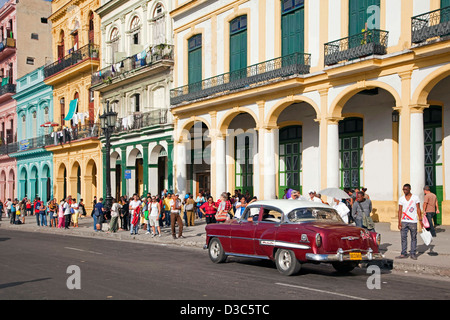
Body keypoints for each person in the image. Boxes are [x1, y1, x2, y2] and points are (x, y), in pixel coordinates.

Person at [397, 184, 423, 260]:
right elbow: (400, 210)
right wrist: (399, 222)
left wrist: (420, 219)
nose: (405, 191)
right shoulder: (401, 199)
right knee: (403, 237)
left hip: (413, 221)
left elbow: (418, 209)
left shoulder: (415, 198)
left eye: (406, 190)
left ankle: (413, 253)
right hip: (404, 221)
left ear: (410, 189)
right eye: (403, 190)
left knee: (413, 237)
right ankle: (403, 253)